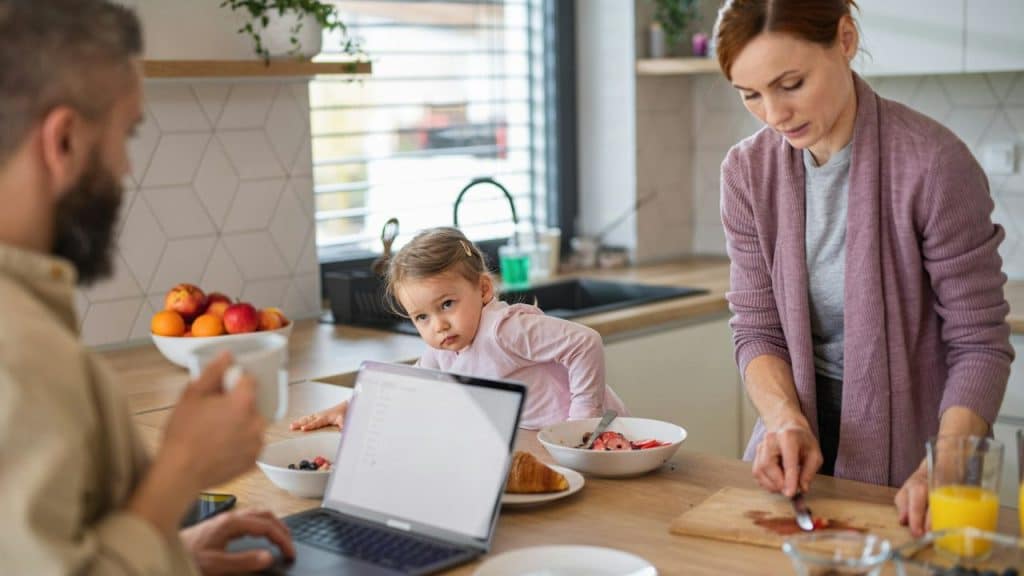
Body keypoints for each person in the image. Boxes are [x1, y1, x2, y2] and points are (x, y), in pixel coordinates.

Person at [0, 1, 294, 573]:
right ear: (64, 141)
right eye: (125, 133)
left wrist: (170, 552)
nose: (126, 167)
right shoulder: (21, 353)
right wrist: (180, 470)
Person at [713, 0, 1014, 536]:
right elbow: (757, 329)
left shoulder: (933, 164)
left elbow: (979, 344)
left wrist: (943, 464)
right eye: (751, 95)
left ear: (846, 40)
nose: (775, 114)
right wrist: (783, 420)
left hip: (920, 462)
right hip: (793, 457)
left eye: (791, 84)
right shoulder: (746, 172)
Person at [291, 227, 628, 432]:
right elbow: (407, 384)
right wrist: (351, 405)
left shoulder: (505, 330)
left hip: (599, 431)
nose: (438, 325)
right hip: (542, 438)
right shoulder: (443, 349)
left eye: (447, 304)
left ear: (483, 289)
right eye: (421, 317)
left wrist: (582, 420)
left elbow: (585, 342)